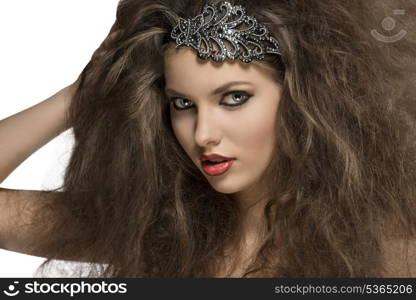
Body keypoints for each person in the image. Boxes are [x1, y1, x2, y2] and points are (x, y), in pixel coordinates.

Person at [0, 0, 416, 278]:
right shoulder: (148, 229)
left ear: (307, 100)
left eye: (234, 98)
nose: (203, 134)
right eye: (183, 104)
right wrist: (79, 96)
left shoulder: (387, 251)